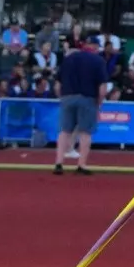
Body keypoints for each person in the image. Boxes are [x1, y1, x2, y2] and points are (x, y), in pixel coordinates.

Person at [56, 36, 108, 175]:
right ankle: (81, 164)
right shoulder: (98, 61)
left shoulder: (69, 59)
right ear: (96, 47)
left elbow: (57, 83)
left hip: (68, 96)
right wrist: (99, 102)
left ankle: (59, 162)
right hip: (87, 97)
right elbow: (102, 86)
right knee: (85, 132)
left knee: (65, 131)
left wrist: (62, 97)